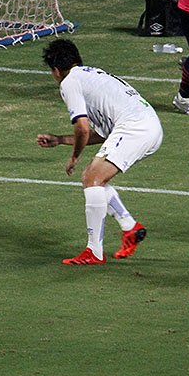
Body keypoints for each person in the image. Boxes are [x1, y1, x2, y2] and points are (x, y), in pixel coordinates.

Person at [36, 39, 162, 265]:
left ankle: (94, 251)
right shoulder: (93, 75)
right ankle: (129, 227)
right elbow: (104, 134)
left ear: (55, 71)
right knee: (94, 177)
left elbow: (82, 128)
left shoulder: (69, 82)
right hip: (149, 126)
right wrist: (61, 140)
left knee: (92, 178)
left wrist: (74, 156)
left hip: (135, 128)